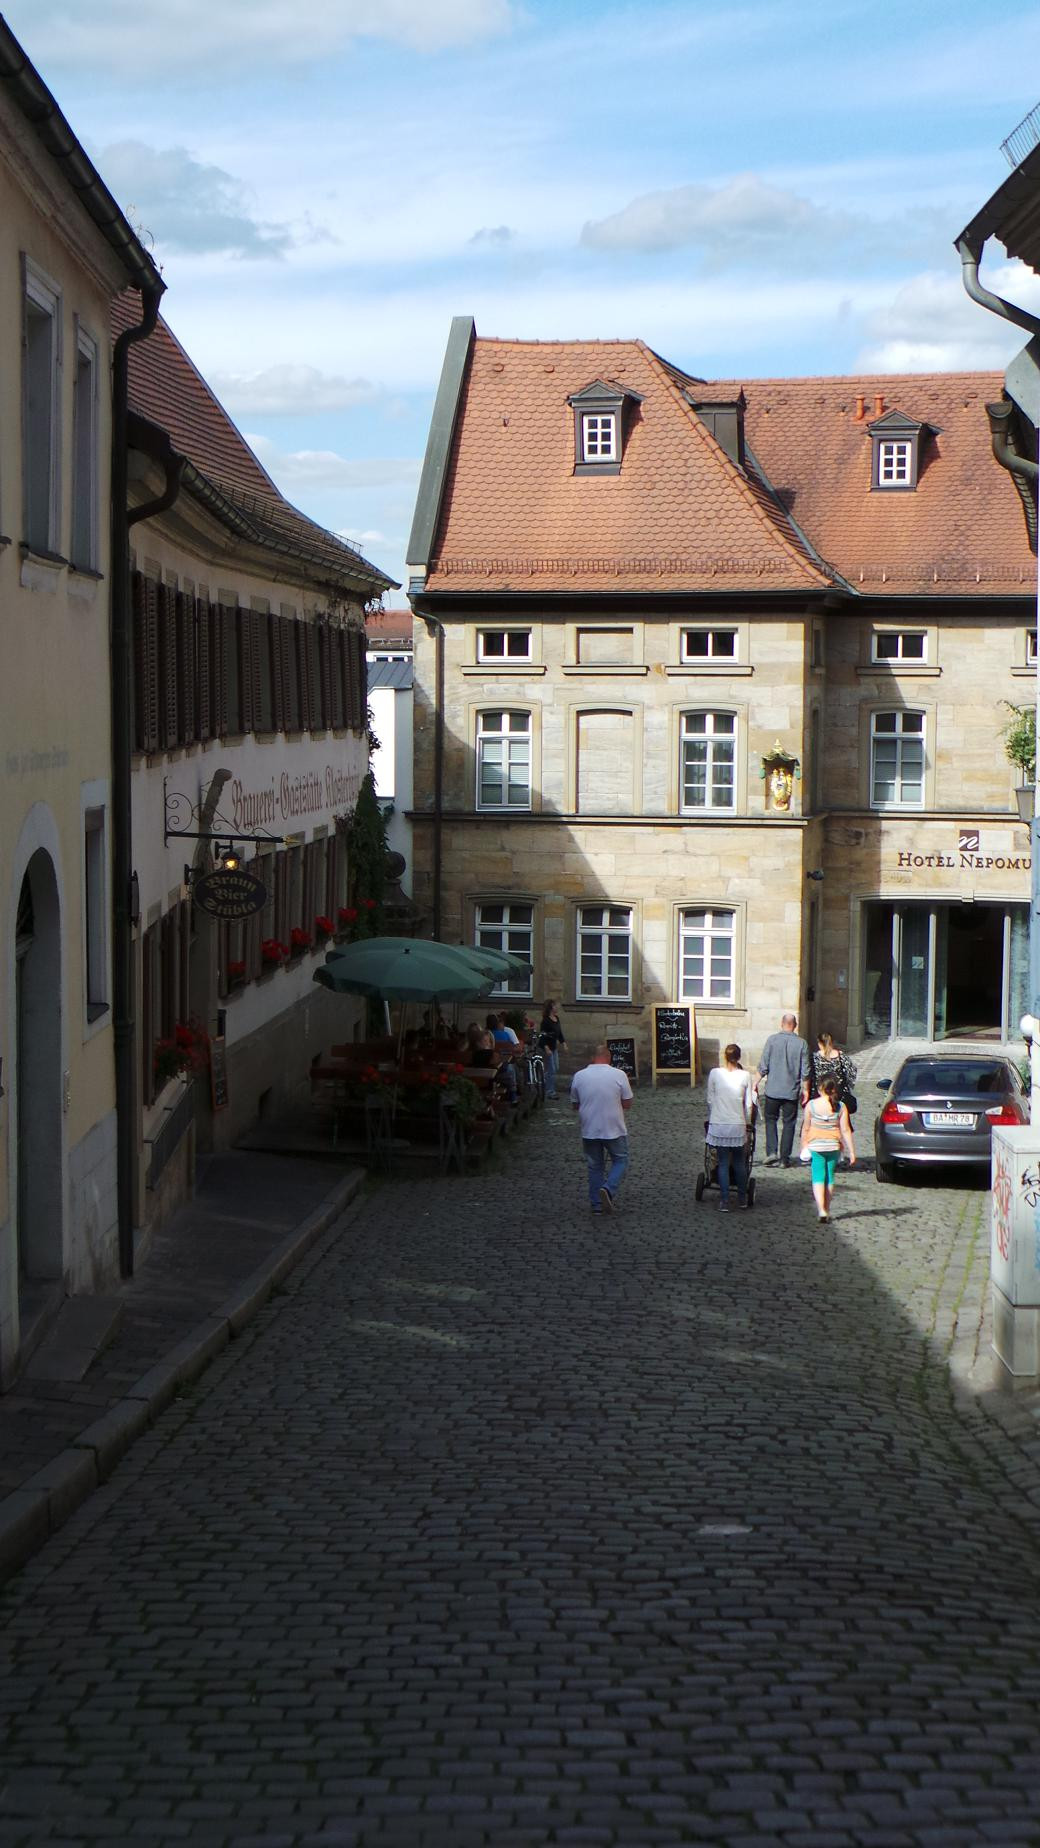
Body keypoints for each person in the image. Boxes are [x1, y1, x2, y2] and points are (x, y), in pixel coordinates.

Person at [570, 1043, 633, 1214]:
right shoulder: (619, 1075)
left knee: (595, 1166)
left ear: (592, 1058)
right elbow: (627, 1103)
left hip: (590, 1127)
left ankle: (597, 1205)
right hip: (614, 1127)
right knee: (621, 1160)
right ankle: (608, 1188)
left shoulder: (579, 1076)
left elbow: (575, 1104)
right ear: (609, 1057)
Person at [756, 1012, 811, 1167]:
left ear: (782, 1023)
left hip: (772, 1090)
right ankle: (784, 1159)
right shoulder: (802, 1044)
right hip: (791, 1092)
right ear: (795, 1025)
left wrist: (755, 1082)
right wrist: (806, 1091)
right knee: (789, 1124)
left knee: (770, 1120)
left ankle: (772, 1152)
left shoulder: (772, 1040)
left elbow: (763, 1066)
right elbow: (805, 1071)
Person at [705, 1043, 755, 1211]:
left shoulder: (715, 1073)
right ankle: (742, 1199)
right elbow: (749, 1104)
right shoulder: (745, 1075)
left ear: (724, 1057)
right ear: (739, 1057)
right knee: (740, 1163)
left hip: (719, 1123)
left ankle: (725, 1200)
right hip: (737, 1123)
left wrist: (715, 1114)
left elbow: (710, 1099)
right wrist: (747, 1121)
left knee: (723, 1162)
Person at [799, 1076, 856, 1222]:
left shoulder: (811, 1105)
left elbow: (805, 1128)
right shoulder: (840, 1106)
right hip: (833, 1145)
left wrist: (803, 1145)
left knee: (818, 1176)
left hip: (816, 1145)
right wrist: (852, 1152)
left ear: (820, 1088)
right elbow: (846, 1130)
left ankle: (821, 1209)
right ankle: (827, 1208)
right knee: (829, 1177)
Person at [812, 1032, 857, 1114]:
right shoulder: (840, 1055)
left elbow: (810, 1074)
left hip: (820, 1093)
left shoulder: (815, 1057)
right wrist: (847, 1084)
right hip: (838, 1092)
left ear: (820, 1043)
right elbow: (852, 1071)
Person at [538, 999, 567, 1100]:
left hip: (553, 1048)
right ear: (551, 1008)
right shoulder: (545, 1021)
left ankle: (543, 1081)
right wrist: (546, 1048)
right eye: (555, 1006)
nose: (557, 1007)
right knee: (552, 1070)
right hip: (547, 1048)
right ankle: (550, 1091)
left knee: (556, 1068)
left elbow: (559, 1032)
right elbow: (542, 1036)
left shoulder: (556, 1018)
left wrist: (564, 1043)